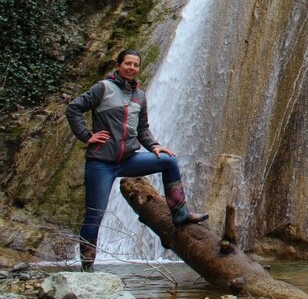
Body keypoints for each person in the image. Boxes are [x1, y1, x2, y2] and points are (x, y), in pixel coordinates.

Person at [65, 48, 208, 272]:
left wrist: (154, 146)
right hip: (101, 163)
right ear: (119, 65)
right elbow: (74, 108)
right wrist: (87, 136)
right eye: (128, 64)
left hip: (128, 160)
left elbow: (142, 130)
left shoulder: (139, 96)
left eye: (135, 65)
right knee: (95, 214)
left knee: (169, 161)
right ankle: (87, 267)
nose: (132, 68)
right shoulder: (103, 88)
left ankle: (179, 213)